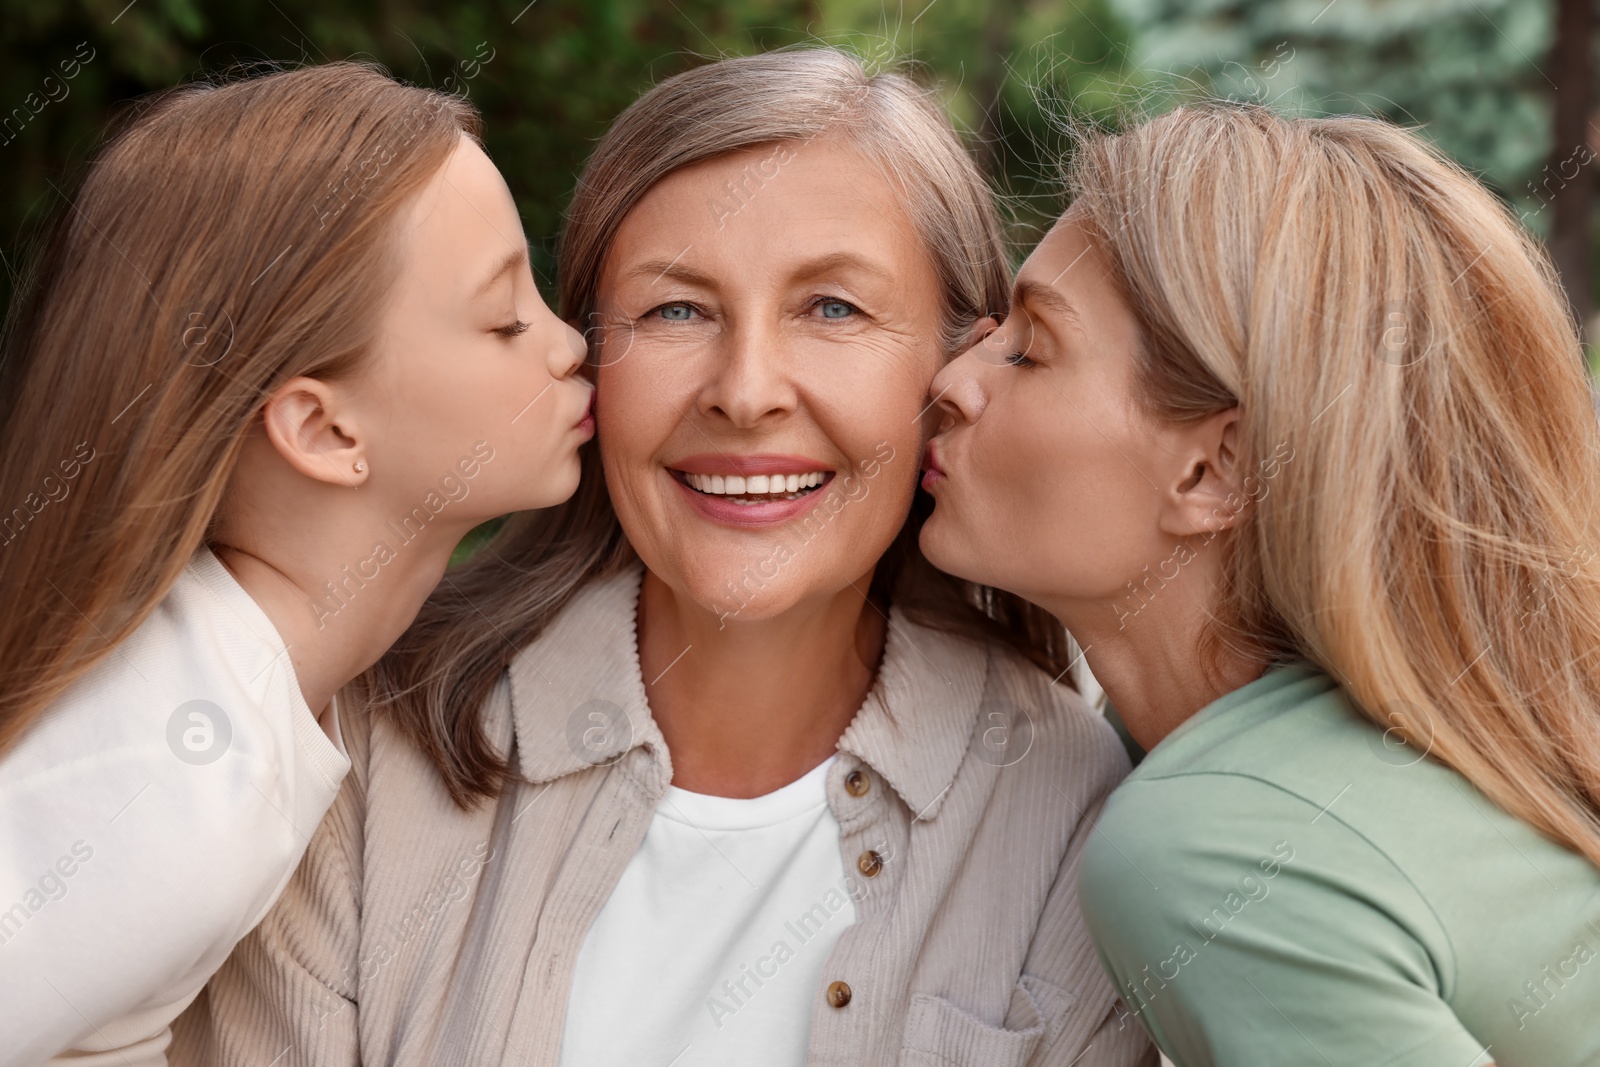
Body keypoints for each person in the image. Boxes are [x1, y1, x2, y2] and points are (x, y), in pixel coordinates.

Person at [173, 49, 1155, 1067]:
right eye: (675, 309)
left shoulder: (1066, 805)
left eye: (831, 308)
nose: (744, 390)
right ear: (586, 352)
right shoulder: (363, 740)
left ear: (953, 370)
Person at [918, 101, 1600, 1065]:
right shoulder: (1282, 762)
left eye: (1031, 350)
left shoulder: (1212, 842)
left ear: (1216, 471)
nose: (952, 378)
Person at [0, 62, 593, 1066]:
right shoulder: (179, 780)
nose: (570, 344)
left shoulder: (226, 700)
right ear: (321, 428)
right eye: (504, 321)